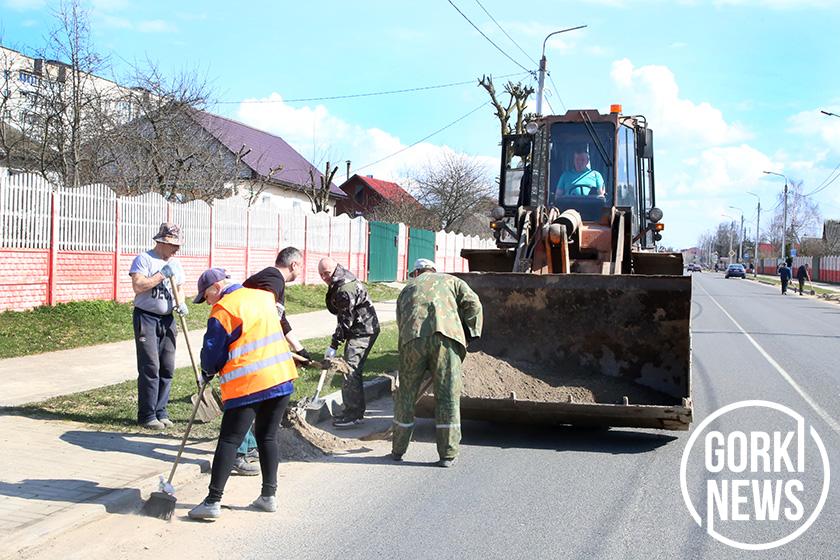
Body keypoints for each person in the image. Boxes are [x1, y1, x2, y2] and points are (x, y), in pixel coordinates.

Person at [188, 268, 298, 520]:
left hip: (248, 384)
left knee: (229, 440)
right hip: (280, 377)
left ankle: (212, 502)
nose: (207, 302)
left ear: (216, 287)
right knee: (267, 437)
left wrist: (207, 371)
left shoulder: (224, 309)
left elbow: (213, 352)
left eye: (206, 296)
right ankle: (269, 496)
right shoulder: (262, 296)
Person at [392, 258, 483, 468]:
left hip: (412, 339)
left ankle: (398, 450)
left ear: (415, 273)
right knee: (447, 396)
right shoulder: (452, 281)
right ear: (434, 270)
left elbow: (401, 320)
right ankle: (447, 455)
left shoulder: (407, 289)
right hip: (447, 338)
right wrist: (471, 332)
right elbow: (473, 303)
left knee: (405, 396)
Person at [230, 247, 311, 476]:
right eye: (301, 265)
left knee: (255, 395)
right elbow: (269, 318)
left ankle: (250, 447)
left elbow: (280, 320)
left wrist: (299, 348)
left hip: (252, 346)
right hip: (246, 348)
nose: (301, 270)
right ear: (293, 264)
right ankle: (237, 454)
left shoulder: (271, 280)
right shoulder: (273, 279)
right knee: (245, 398)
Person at [128, 223, 187, 430]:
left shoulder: (176, 263)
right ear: (161, 242)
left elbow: (179, 288)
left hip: (168, 319)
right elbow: (138, 285)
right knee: (150, 366)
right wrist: (161, 275)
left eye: (178, 245)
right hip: (147, 318)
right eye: (173, 245)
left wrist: (182, 304)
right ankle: (147, 414)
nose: (176, 249)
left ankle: (161, 410)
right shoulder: (144, 259)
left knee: (167, 366)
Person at [318, 257, 380, 427]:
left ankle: (353, 414)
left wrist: (333, 345)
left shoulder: (344, 288)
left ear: (334, 268)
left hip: (364, 330)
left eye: (326, 273)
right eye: (321, 274)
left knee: (349, 369)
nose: (324, 278)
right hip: (360, 327)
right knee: (352, 368)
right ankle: (355, 410)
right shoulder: (339, 278)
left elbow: (345, 322)